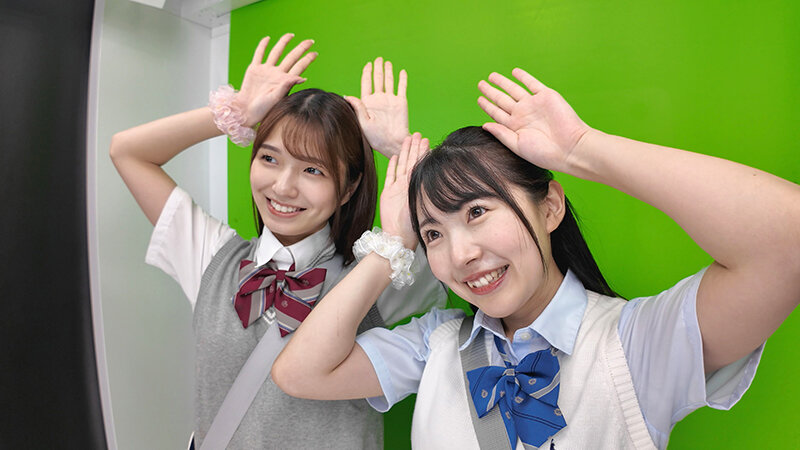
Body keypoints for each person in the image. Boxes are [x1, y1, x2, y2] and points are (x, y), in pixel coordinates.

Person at [271, 68, 800, 449]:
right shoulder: (434, 345)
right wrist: (392, 245)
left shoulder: (637, 345)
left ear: (549, 207)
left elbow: (788, 240)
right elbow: (301, 373)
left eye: (477, 212)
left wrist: (581, 149)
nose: (461, 254)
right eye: (433, 234)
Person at [109, 33, 445, 449]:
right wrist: (234, 113)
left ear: (347, 188)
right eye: (269, 158)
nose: (283, 187)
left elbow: (462, 245)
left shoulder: (384, 272)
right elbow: (128, 152)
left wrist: (400, 150)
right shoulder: (212, 257)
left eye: (312, 170)